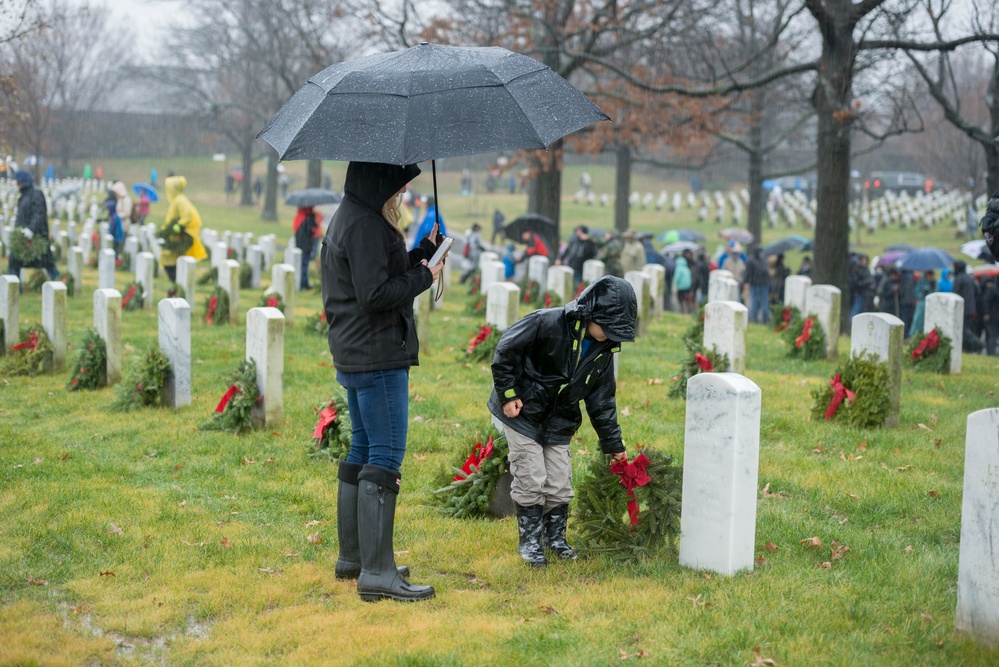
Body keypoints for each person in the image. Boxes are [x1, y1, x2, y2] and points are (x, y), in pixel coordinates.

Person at [321, 161, 441, 603]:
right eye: (399, 184)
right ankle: (377, 573)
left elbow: (375, 276)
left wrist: (422, 256)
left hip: (357, 353)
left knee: (363, 449)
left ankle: (355, 559)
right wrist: (425, 277)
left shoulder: (353, 214)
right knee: (386, 454)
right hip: (376, 355)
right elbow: (375, 296)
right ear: (380, 180)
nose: (404, 192)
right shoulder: (367, 224)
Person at [488, 276, 636, 568]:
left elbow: (602, 402)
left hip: (560, 421)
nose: (610, 335)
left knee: (558, 484)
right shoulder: (546, 323)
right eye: (607, 328)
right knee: (531, 477)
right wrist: (508, 394)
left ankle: (554, 538)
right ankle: (530, 542)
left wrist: (614, 445)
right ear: (590, 314)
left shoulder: (604, 352)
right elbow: (505, 350)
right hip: (523, 412)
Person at [9, 169, 59, 280]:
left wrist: (31, 230)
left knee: (47, 263)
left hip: (37, 236)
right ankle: (14, 289)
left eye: (19, 182)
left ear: (24, 181)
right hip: (24, 237)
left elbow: (39, 214)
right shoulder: (24, 194)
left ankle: (59, 283)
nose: (17, 185)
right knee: (14, 262)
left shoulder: (36, 194)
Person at [159, 176, 208, 284]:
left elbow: (187, 215)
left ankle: (177, 283)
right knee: (171, 260)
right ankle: (177, 284)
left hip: (176, 236)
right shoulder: (178, 200)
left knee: (171, 260)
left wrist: (179, 226)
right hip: (173, 235)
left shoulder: (179, 200)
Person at [292, 206, 323, 289]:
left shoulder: (298, 217)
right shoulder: (309, 218)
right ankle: (304, 283)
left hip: (299, 244)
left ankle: (302, 282)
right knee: (304, 265)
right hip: (307, 245)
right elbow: (313, 230)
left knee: (302, 264)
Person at [953, 260, 980, 350]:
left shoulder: (958, 278)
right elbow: (977, 292)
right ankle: (969, 348)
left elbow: (955, 294)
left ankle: (977, 343)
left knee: (963, 330)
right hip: (971, 309)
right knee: (967, 328)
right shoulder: (970, 278)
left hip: (961, 308)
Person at [744, 246, 770, 323]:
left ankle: (765, 319)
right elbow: (748, 272)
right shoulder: (751, 261)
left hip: (763, 284)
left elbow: (766, 273)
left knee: (764, 303)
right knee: (754, 303)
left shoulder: (763, 260)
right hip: (755, 284)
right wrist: (746, 282)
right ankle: (753, 319)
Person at [909, 270, 936, 338]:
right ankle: (914, 335)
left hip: (931, 305)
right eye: (929, 275)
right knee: (918, 320)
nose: (930, 277)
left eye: (931, 276)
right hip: (922, 304)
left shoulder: (934, 283)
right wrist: (923, 293)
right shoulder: (921, 282)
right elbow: (916, 293)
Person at [981, 275, 999, 355]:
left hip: (996, 316)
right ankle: (991, 353)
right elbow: (987, 301)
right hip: (992, 317)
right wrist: (986, 312)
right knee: (992, 336)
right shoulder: (992, 289)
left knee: (993, 336)